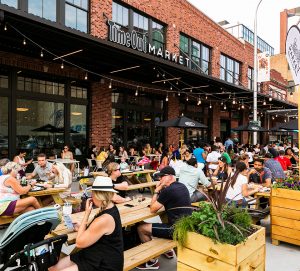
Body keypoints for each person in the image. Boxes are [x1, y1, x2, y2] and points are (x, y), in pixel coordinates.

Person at [49, 176, 124, 271]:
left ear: (98, 195)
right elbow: (96, 232)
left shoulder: (105, 218)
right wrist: (81, 227)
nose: (90, 196)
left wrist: (86, 214)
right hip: (93, 254)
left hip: (104, 264)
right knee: (52, 268)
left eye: (91, 193)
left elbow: (79, 243)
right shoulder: (109, 207)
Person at [136, 166, 192, 269]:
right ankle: (168, 251)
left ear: (170, 177)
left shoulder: (169, 190)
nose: (160, 179)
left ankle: (152, 261)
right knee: (162, 222)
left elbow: (152, 208)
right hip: (187, 227)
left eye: (162, 177)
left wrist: (157, 190)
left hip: (176, 230)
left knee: (141, 228)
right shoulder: (182, 186)